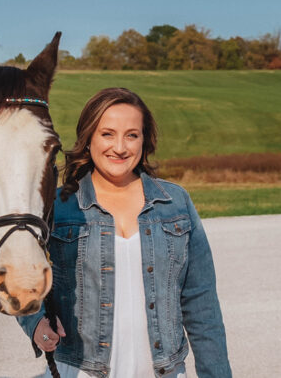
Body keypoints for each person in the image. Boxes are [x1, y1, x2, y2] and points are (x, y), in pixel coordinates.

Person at [18, 88, 231, 377]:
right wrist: (36, 324)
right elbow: (20, 276)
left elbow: (202, 304)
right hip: (79, 371)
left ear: (145, 140)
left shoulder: (175, 204)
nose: (120, 147)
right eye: (107, 134)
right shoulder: (56, 206)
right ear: (88, 138)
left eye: (132, 135)